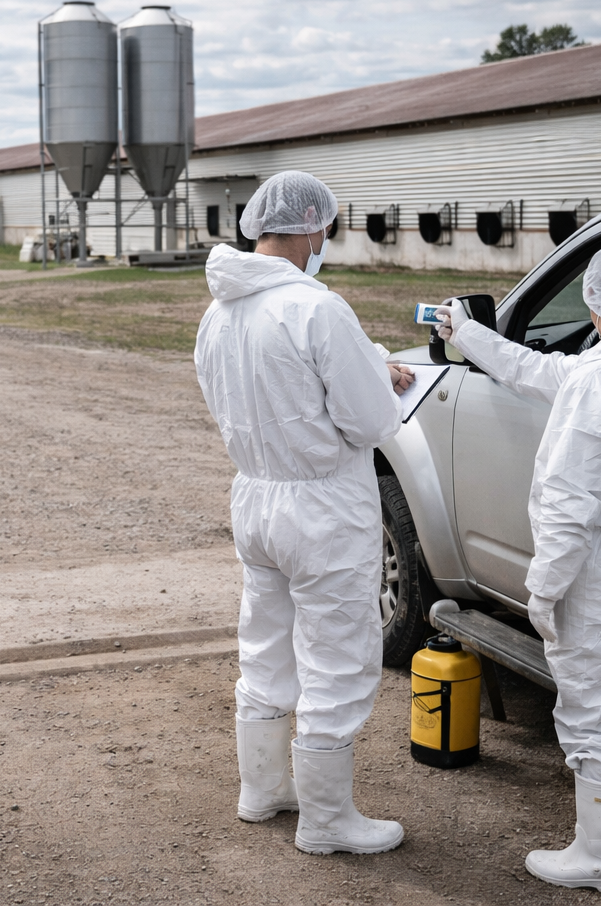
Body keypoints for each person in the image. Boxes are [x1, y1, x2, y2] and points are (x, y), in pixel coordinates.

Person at [436, 245, 601, 895]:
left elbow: (566, 500)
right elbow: (545, 372)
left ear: (592, 301)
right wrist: (468, 335)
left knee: (599, 713)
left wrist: (545, 588)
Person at [194, 170, 414, 855]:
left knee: (265, 642)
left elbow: (262, 386)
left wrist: (367, 360)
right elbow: (370, 419)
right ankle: (327, 820)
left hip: (256, 495)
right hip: (322, 505)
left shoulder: (220, 308)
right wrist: (377, 375)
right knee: (339, 655)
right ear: (315, 227)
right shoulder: (318, 307)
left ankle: (262, 790)